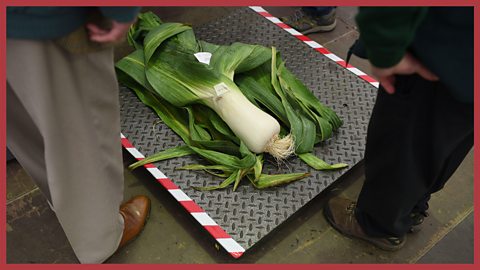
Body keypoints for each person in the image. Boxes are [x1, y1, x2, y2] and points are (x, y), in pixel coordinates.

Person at [7, 7, 151, 263]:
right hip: (46, 17)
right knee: (80, 124)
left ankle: (59, 196)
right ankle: (100, 238)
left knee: (19, 114)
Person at [324, 7, 473, 251]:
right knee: (448, 139)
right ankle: (412, 207)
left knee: (403, 140)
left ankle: (377, 225)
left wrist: (386, 48)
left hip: (442, 51)